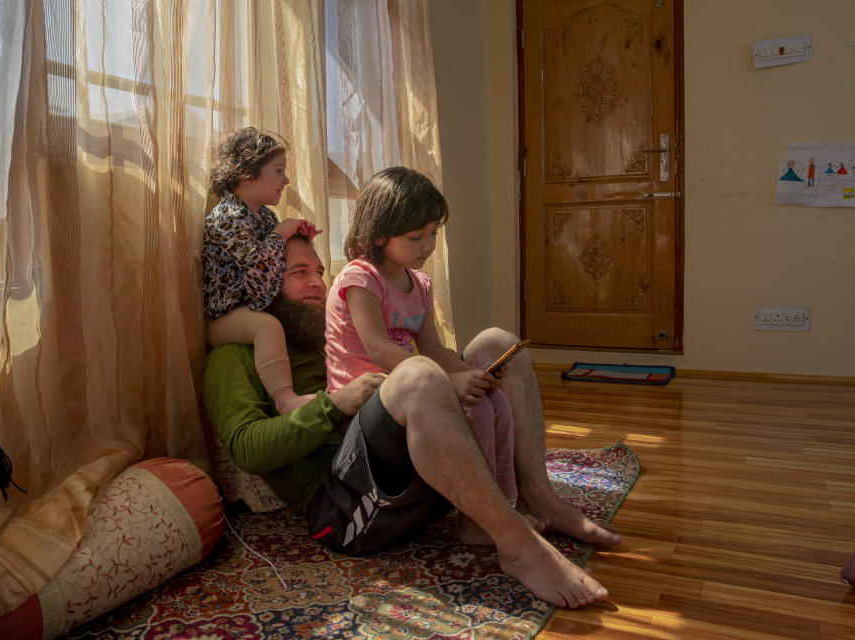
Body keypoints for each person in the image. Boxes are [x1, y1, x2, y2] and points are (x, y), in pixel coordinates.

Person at [202, 234, 622, 609]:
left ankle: (537, 495)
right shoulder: (235, 355)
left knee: (499, 345)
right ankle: (514, 543)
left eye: (318, 270)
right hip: (348, 511)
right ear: (265, 284)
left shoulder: (331, 333)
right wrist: (335, 404)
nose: (316, 281)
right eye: (298, 272)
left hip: (423, 481)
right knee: (417, 376)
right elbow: (248, 448)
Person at [323, 166, 519, 544]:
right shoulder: (360, 278)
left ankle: (505, 506)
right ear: (379, 234)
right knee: (475, 410)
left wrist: (472, 375)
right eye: (416, 237)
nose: (428, 246)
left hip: (407, 388)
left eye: (433, 233)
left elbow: (430, 347)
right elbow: (379, 350)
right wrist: (450, 384)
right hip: (364, 410)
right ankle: (477, 518)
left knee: (494, 403)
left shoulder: (420, 284)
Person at [203, 127, 321, 415]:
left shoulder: (265, 215)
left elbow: (277, 261)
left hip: (255, 304)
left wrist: (297, 236)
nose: (286, 180)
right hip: (227, 314)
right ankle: (285, 400)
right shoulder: (227, 217)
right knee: (266, 326)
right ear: (247, 173)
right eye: (278, 171)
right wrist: (281, 234)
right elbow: (258, 275)